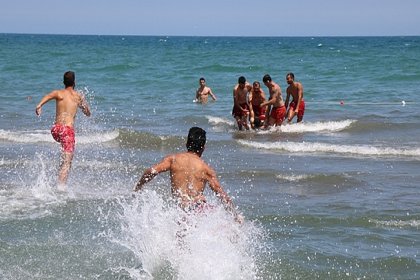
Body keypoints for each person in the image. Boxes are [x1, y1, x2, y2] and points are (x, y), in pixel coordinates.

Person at [134, 127, 242, 223]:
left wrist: (138, 187)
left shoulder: (173, 160)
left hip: (182, 208)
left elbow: (151, 171)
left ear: (186, 144)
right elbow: (221, 194)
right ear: (203, 148)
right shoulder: (206, 169)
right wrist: (235, 215)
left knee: (181, 239)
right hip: (198, 208)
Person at [35, 71, 91, 189]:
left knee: (65, 158)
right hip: (67, 131)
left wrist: (39, 105)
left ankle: (59, 179)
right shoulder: (77, 96)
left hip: (56, 129)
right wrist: (84, 104)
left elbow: (48, 96)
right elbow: (87, 113)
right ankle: (61, 189)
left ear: (63, 82)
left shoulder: (59, 93)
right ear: (74, 82)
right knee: (67, 162)